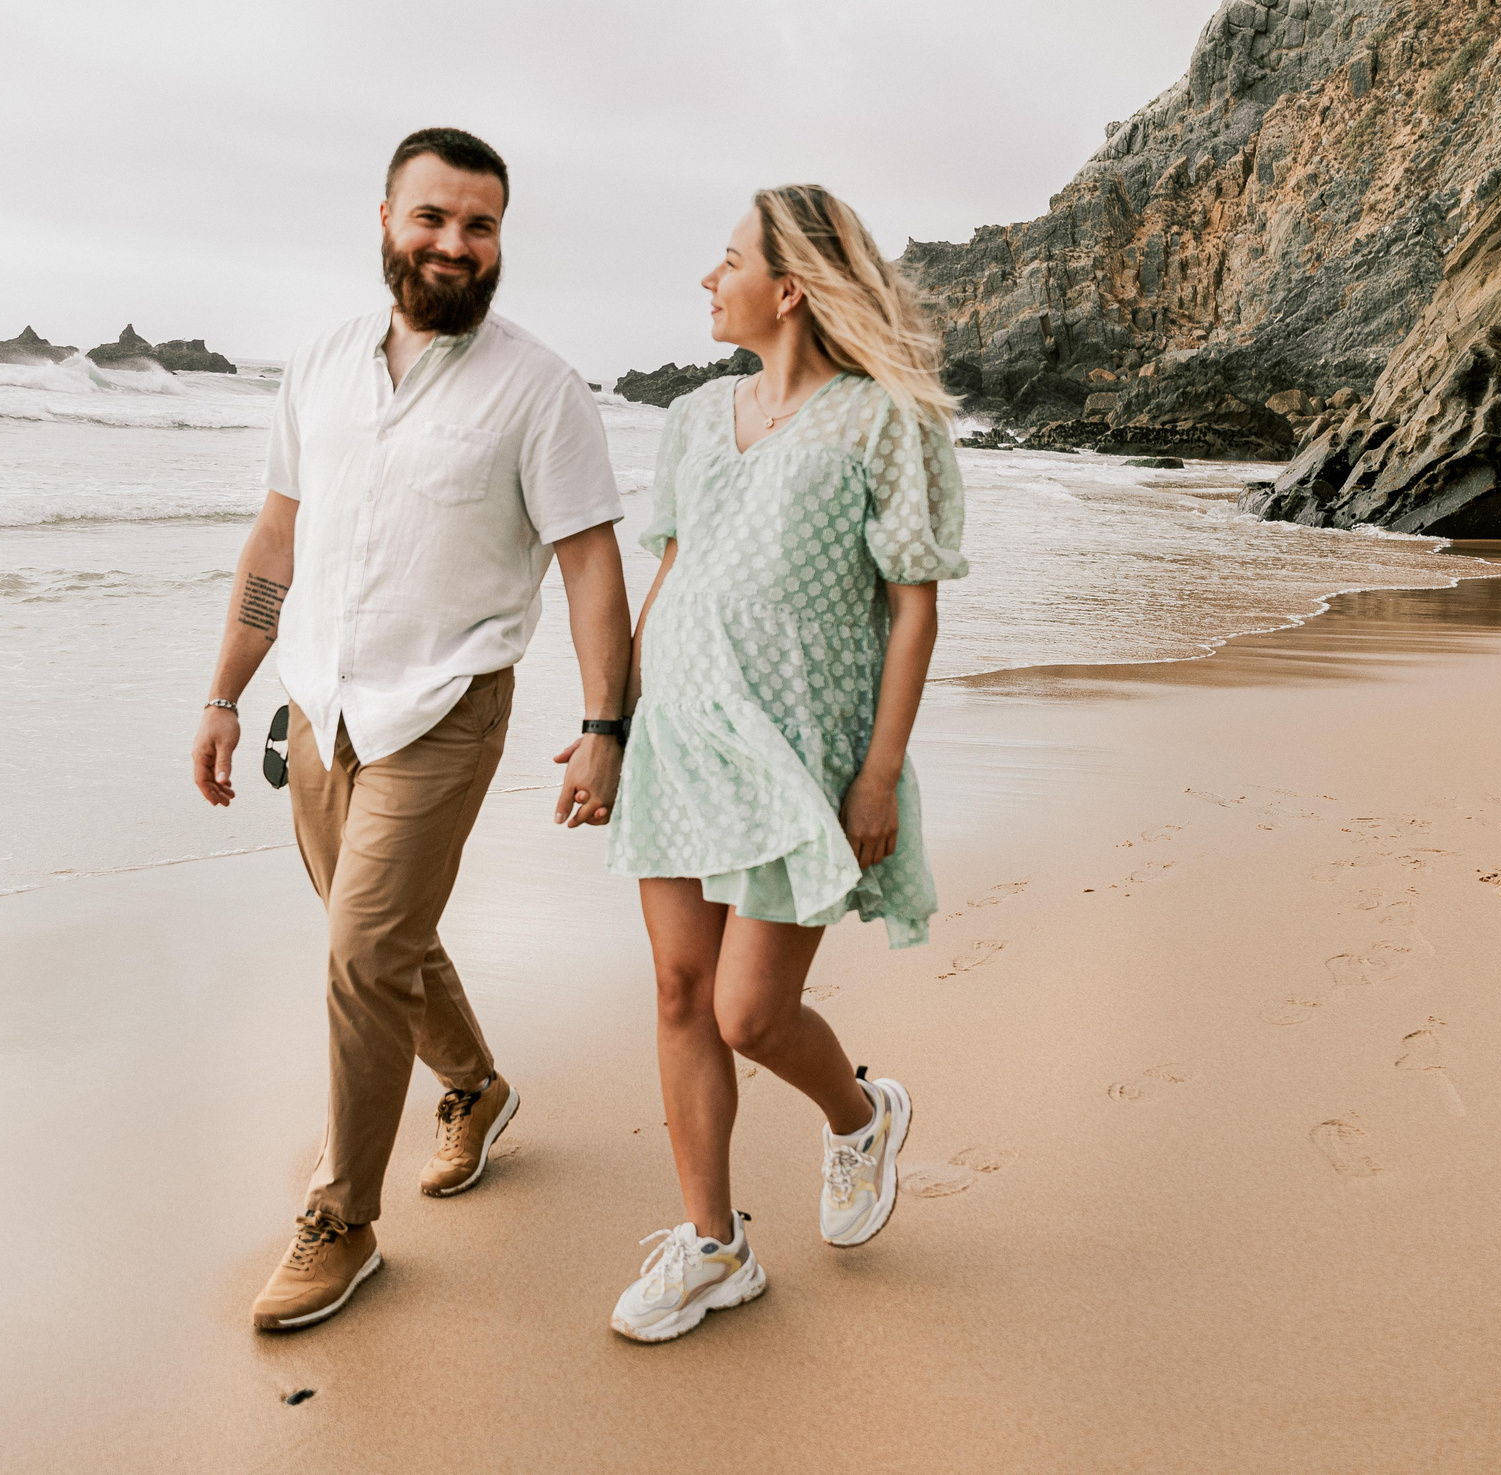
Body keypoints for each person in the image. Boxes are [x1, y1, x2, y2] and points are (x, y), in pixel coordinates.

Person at [191, 127, 634, 1332]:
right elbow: (276, 539)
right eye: (433, 218)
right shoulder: (321, 365)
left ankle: (343, 1220)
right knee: (376, 938)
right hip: (319, 704)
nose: (454, 244)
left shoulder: (538, 389)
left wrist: (607, 723)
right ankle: (478, 1090)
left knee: (361, 953)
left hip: (446, 707)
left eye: (479, 226)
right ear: (384, 218)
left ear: (500, 242)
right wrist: (226, 690)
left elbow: (592, 567)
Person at [602, 184, 967, 1342]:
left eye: (726, 261)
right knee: (676, 994)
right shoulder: (697, 417)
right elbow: (669, 575)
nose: (708, 281)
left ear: (789, 287)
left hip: (802, 744)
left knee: (751, 1012)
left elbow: (912, 608)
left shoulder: (881, 421)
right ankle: (714, 1248)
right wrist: (607, 728)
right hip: (680, 734)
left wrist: (877, 772)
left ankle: (860, 1116)